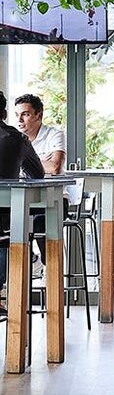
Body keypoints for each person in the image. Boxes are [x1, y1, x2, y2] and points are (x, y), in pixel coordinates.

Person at [0, 91, 44, 316]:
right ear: (5, 113)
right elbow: (38, 174)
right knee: (7, 232)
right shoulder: (18, 139)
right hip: (7, 222)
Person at [14, 94, 67, 276]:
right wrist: (40, 161)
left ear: (39, 115)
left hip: (54, 200)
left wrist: (27, 162)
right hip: (25, 200)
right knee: (7, 222)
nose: (20, 120)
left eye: (26, 114)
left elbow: (55, 167)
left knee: (39, 223)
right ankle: (30, 260)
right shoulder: (15, 139)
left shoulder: (54, 134)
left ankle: (49, 269)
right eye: (17, 115)